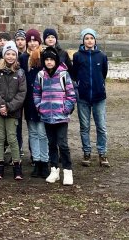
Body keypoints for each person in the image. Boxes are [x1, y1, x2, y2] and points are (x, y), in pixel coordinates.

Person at [34, 46, 76, 186]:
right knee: (51, 143)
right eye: (47, 59)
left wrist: (67, 109)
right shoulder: (40, 76)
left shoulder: (63, 75)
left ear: (56, 60)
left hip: (61, 116)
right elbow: (36, 93)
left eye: (52, 59)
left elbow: (71, 94)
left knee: (62, 144)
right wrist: (40, 107)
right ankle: (54, 170)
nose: (49, 62)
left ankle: (68, 170)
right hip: (46, 115)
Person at [0, 41, 27, 181]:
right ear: (4, 55)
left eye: (13, 54)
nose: (10, 57)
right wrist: (0, 105)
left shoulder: (20, 72)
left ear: (16, 56)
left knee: (12, 137)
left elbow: (22, 93)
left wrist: (9, 107)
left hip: (13, 111)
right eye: (8, 54)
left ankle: (17, 165)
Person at [71, 28, 109, 168]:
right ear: (83, 40)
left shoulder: (101, 56)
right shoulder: (77, 56)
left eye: (91, 38)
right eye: (86, 38)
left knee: (101, 126)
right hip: (83, 97)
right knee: (84, 127)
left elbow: (103, 73)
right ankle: (86, 152)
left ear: (95, 40)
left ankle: (102, 153)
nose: (89, 41)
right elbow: (74, 74)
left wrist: (100, 85)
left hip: (99, 96)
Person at [21, 29, 48, 178]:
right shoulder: (24, 58)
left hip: (42, 99)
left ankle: (45, 161)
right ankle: (36, 160)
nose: (32, 43)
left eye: (35, 41)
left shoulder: (44, 57)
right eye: (29, 41)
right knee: (32, 132)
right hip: (28, 100)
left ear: (39, 42)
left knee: (42, 132)